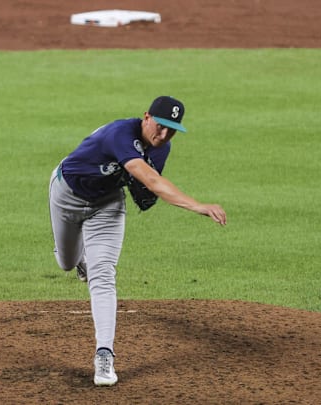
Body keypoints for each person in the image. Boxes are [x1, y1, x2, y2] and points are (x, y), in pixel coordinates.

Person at [48, 96, 227, 386]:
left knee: (103, 275)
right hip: (66, 195)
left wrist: (142, 188)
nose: (164, 135)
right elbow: (152, 181)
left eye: (171, 130)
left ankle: (104, 355)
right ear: (146, 117)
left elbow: (147, 192)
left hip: (107, 205)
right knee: (67, 263)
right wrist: (197, 205)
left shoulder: (161, 148)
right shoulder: (120, 133)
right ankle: (79, 260)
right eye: (160, 126)